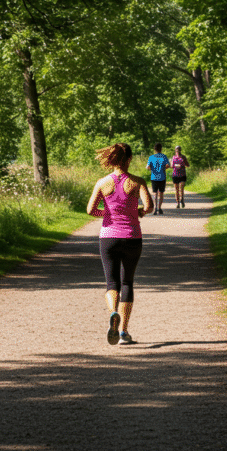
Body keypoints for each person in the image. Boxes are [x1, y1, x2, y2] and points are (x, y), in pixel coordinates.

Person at [86, 143, 154, 345]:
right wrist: (138, 211)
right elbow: (149, 206)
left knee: (112, 282)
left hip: (108, 238)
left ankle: (113, 312)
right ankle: (123, 331)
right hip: (132, 237)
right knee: (127, 283)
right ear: (129, 159)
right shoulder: (137, 182)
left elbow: (90, 210)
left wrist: (107, 213)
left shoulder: (102, 182)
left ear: (112, 159)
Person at [146, 143, 170, 214]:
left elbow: (147, 167)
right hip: (162, 176)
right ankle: (159, 208)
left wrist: (152, 169)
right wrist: (163, 168)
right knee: (161, 193)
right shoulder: (164, 156)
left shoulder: (151, 157)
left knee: (155, 193)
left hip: (154, 177)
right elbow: (168, 165)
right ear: (161, 149)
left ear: (154, 149)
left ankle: (155, 208)